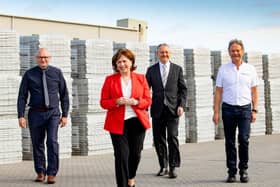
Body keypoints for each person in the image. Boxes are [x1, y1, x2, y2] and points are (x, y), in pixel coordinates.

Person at [100, 48, 151, 187]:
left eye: (124, 61)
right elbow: (103, 102)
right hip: (117, 123)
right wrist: (116, 101)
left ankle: (131, 177)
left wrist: (136, 102)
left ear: (131, 62)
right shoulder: (110, 80)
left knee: (135, 154)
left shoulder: (141, 78)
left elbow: (148, 100)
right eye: (119, 62)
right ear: (115, 65)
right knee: (121, 156)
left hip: (137, 121)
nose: (122, 64)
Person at [17, 48, 69, 184]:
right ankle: (40, 172)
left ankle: (51, 173)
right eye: (40, 57)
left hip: (53, 113)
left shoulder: (56, 73)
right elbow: (22, 96)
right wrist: (21, 115)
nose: (43, 60)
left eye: (45, 57)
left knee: (52, 142)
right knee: (37, 144)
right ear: (36, 58)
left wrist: (65, 115)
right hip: (35, 113)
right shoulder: (29, 74)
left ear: (49, 58)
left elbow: (64, 95)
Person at [213, 39, 258, 183]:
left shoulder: (250, 69)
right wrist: (216, 112)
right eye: (232, 51)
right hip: (228, 109)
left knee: (244, 140)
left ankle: (243, 170)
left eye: (238, 50)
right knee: (230, 142)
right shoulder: (223, 69)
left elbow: (254, 91)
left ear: (242, 51)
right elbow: (218, 92)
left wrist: (255, 109)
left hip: (245, 109)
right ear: (229, 52)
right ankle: (231, 172)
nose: (235, 53)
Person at [146, 43, 187, 178]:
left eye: (166, 52)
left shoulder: (177, 69)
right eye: (162, 52)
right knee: (158, 139)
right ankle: (163, 166)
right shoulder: (151, 70)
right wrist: (144, 108)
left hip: (173, 109)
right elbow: (146, 91)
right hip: (157, 109)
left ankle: (173, 167)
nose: (164, 54)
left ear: (170, 53)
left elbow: (183, 90)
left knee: (172, 137)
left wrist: (181, 105)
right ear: (157, 54)